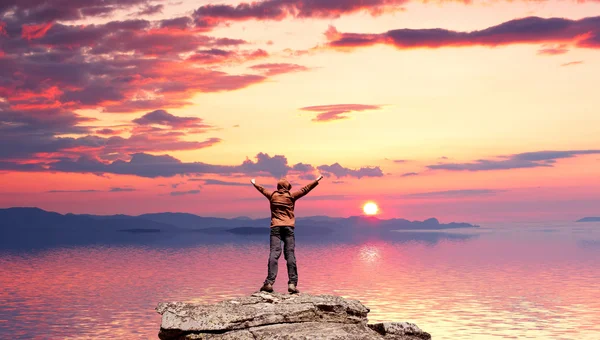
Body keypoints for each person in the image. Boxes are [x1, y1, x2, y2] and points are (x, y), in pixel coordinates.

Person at [250, 175, 324, 294]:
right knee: (290, 255)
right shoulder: (291, 196)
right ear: (287, 187)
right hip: (288, 228)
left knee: (274, 253)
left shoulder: (272, 196)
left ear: (278, 187)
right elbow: (305, 189)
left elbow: (262, 189)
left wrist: (254, 183)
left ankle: (269, 283)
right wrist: (316, 180)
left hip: (275, 228)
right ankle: (292, 284)